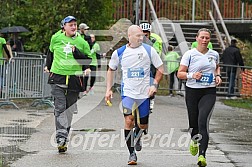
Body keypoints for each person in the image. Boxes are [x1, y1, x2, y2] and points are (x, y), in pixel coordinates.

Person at [105, 25, 164, 165]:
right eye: (138, 35)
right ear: (129, 36)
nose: (141, 37)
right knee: (128, 121)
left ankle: (138, 134)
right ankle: (132, 154)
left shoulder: (149, 50)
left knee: (143, 125)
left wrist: (154, 84)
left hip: (144, 94)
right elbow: (111, 69)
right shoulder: (119, 52)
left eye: (142, 35)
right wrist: (108, 89)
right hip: (128, 93)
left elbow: (160, 69)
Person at [46, 16, 91, 153]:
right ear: (63, 26)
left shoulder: (81, 42)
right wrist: (48, 66)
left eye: (75, 24)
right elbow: (50, 53)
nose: (73, 27)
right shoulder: (56, 38)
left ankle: (64, 137)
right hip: (57, 77)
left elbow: (88, 61)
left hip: (74, 79)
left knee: (69, 110)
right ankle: (61, 138)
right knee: (60, 108)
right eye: (70, 24)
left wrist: (76, 52)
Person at [177, 28, 222, 167]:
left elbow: (217, 67)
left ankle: (202, 155)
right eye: (202, 37)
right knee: (193, 123)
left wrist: (218, 76)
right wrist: (192, 75)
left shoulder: (214, 54)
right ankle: (194, 139)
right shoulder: (189, 54)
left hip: (208, 91)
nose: (204, 40)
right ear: (196, 38)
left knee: (203, 121)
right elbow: (180, 73)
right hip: (192, 91)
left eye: (207, 38)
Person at [139, 22, 163, 112]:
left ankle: (151, 99)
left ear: (149, 33)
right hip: (141, 64)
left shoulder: (154, 40)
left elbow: (156, 53)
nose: (144, 34)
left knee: (152, 81)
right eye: (143, 32)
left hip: (152, 63)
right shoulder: (137, 39)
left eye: (146, 33)